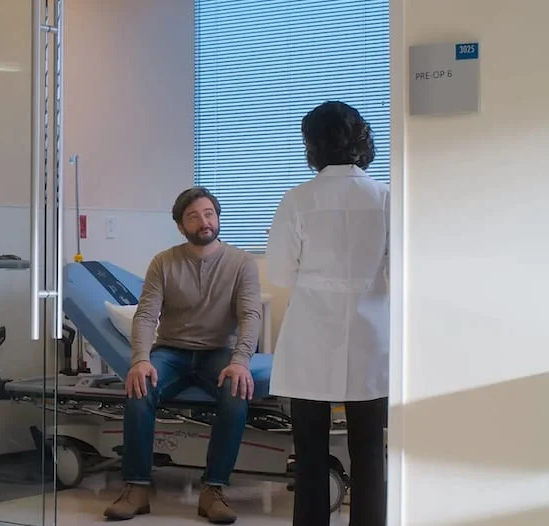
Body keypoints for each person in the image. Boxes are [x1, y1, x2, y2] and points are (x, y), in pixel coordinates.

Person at [103, 187, 262, 524]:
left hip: (218, 353)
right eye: (193, 216)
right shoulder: (164, 262)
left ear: (217, 218)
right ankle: (136, 488)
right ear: (180, 226)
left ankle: (213, 490)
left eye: (209, 214)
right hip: (171, 351)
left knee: (236, 393)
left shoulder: (242, 263)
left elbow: (251, 316)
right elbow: (146, 315)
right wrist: (140, 360)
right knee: (139, 388)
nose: (203, 221)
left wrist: (240, 362)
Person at [266, 101, 390, 526]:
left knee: (311, 453)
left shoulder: (297, 199)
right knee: (371, 450)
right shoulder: (386, 196)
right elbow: (400, 270)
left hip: (310, 339)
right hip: (371, 337)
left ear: (312, 145)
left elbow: (281, 274)